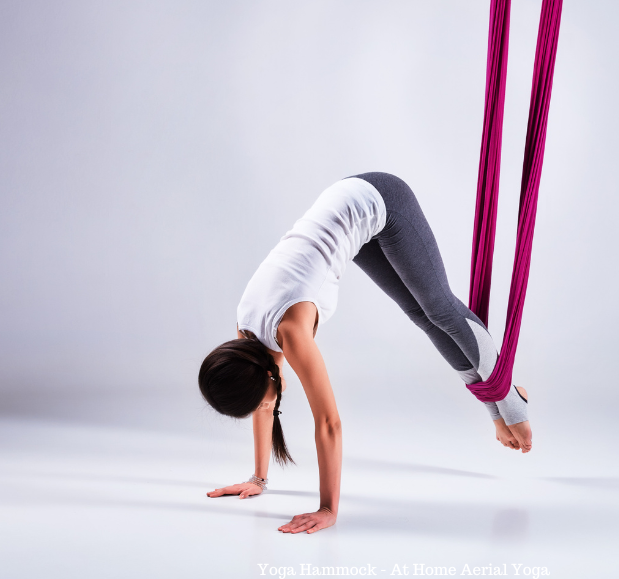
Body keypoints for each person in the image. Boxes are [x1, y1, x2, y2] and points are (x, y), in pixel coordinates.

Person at [198, 172, 531, 534]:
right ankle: (493, 405)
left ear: (265, 377)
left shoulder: (291, 331)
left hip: (383, 199)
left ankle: (510, 400)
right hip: (351, 213)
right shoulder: (246, 337)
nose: (267, 407)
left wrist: (327, 508)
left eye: (261, 401)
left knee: (439, 307)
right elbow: (265, 406)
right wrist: (258, 479)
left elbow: (329, 424)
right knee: (421, 315)